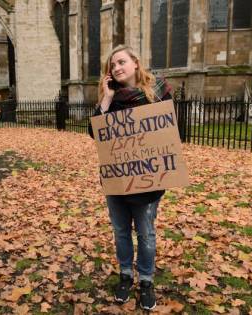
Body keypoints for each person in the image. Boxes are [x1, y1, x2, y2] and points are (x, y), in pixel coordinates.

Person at [88, 45, 172, 311]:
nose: (117, 68)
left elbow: (168, 131)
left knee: (146, 234)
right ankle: (126, 274)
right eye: (112, 65)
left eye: (121, 62)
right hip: (117, 182)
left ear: (136, 63)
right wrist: (106, 99)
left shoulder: (158, 93)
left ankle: (146, 280)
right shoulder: (111, 100)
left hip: (147, 182)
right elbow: (94, 132)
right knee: (121, 232)